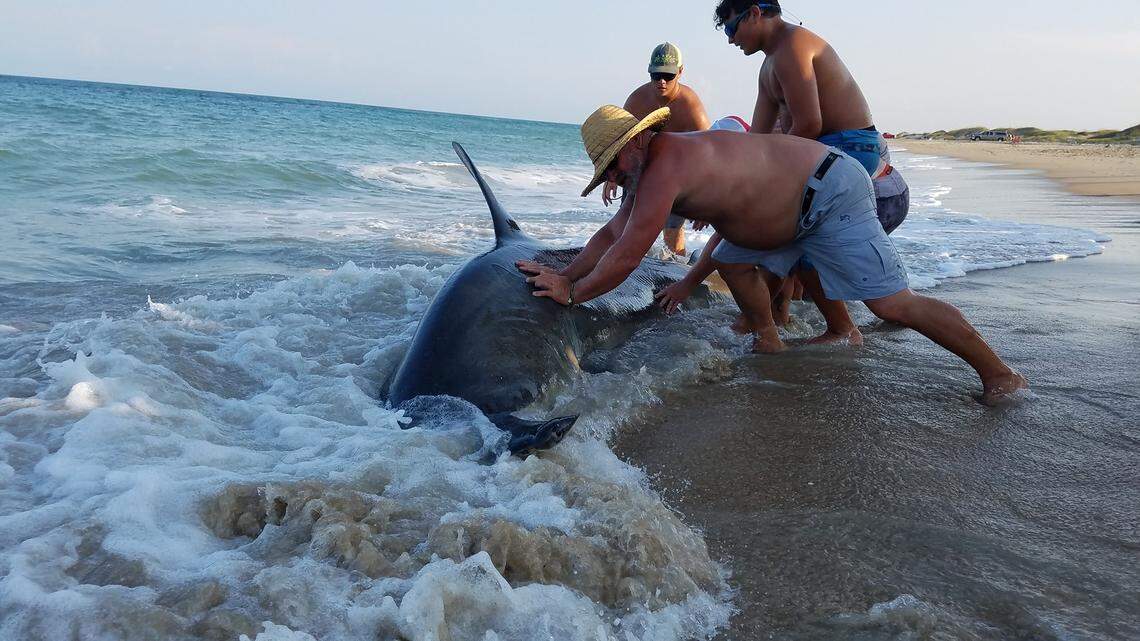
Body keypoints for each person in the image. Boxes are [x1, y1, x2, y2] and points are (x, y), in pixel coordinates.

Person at [518, 105, 1028, 404]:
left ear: (637, 142)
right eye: (604, 170)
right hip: (786, 214)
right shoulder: (646, 169)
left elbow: (630, 252)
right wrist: (564, 272)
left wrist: (575, 293)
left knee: (891, 304)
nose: (611, 178)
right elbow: (611, 235)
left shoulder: (664, 165)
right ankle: (772, 341)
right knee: (735, 259)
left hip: (829, 193)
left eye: (610, 165)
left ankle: (997, 373)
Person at [710, 0, 901, 344]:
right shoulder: (769, 65)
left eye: (730, 28)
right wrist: (726, 183)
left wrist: (767, 182)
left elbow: (809, 123)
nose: (729, 40)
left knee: (788, 230)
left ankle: (775, 322)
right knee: (799, 241)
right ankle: (838, 328)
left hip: (848, 147)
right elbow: (758, 140)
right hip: (825, 149)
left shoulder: (793, 46)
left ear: (754, 13)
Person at [602, 42, 711, 257]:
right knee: (627, 232)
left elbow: (710, 153)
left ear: (680, 72)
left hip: (678, 173)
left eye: (668, 76)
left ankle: (676, 277)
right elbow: (621, 142)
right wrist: (611, 176)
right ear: (649, 71)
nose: (662, 81)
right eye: (656, 75)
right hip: (641, 172)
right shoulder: (637, 101)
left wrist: (707, 203)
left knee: (672, 235)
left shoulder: (690, 106)